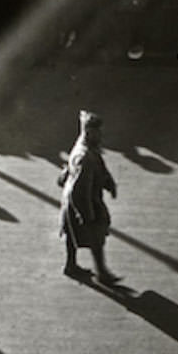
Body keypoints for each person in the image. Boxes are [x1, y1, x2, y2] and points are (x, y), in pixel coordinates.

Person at [58, 109, 119, 284]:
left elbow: (100, 167)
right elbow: (80, 188)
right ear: (89, 132)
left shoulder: (87, 147)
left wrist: (109, 183)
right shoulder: (85, 157)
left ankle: (71, 265)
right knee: (96, 234)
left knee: (72, 232)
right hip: (83, 201)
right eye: (98, 132)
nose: (101, 135)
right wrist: (86, 214)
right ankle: (102, 273)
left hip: (74, 199)